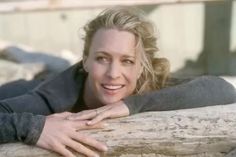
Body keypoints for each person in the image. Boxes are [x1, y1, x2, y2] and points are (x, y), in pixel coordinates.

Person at [0, 7, 235, 157]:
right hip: (28, 87)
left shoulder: (147, 83)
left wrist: (132, 104)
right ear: (85, 60)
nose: (114, 73)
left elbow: (223, 89)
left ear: (141, 65)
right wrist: (34, 127)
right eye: (102, 58)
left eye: (127, 61)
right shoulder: (51, 97)